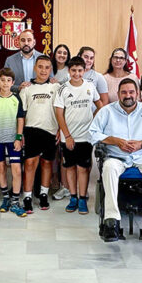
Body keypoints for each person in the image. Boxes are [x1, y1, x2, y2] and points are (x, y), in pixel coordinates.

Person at [90, 78, 142, 243]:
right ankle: (111, 221)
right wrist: (115, 140)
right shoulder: (107, 111)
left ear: (138, 94)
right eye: (124, 92)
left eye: (131, 92)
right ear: (118, 94)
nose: (128, 95)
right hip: (116, 157)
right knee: (109, 167)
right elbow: (92, 133)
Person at [54, 57, 102, 214]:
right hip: (68, 137)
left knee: (83, 168)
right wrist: (67, 135)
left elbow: (100, 106)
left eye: (80, 70)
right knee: (69, 167)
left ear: (84, 71)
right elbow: (59, 114)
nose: (76, 73)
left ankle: (82, 199)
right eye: (73, 70)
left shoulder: (90, 86)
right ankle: (73, 197)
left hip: (85, 137)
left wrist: (93, 124)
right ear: (69, 71)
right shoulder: (63, 89)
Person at [21, 56, 60, 213]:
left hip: (50, 130)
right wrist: (21, 133)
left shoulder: (56, 87)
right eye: (40, 67)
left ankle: (44, 193)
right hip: (31, 130)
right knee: (30, 164)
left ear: (51, 70)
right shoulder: (27, 89)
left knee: (47, 163)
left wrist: (60, 129)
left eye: (47, 67)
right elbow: (22, 114)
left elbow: (60, 110)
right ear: (35, 68)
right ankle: (27, 196)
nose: (43, 70)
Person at [0, 68, 26, 217]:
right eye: (2, 80)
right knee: (1, 168)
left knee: (16, 169)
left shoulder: (16, 98)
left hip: (13, 140)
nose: (5, 83)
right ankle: (6, 198)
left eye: (8, 80)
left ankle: (15, 201)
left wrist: (18, 137)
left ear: (12, 82)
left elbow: (20, 119)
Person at [49, 43, 72, 202]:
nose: (62, 55)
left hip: (62, 113)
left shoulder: (69, 72)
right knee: (52, 152)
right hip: (47, 113)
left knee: (61, 152)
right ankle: (53, 178)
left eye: (65, 53)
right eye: (59, 52)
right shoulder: (48, 68)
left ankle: (63, 183)